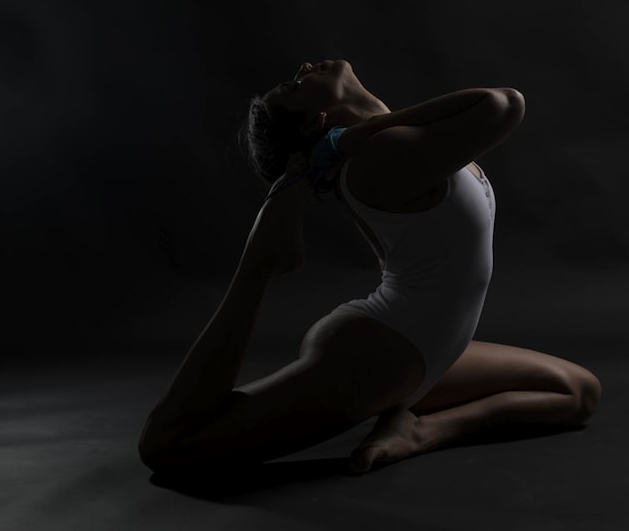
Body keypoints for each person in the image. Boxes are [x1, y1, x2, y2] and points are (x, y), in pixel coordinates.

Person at [138, 60, 602, 476]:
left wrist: (354, 137)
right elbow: (504, 104)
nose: (304, 68)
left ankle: (422, 431)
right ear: (320, 120)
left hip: (429, 346)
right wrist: (359, 135)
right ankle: (257, 268)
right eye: (295, 86)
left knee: (578, 392)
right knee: (171, 445)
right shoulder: (379, 156)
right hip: (381, 354)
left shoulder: (379, 154)